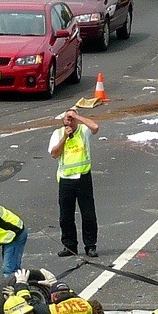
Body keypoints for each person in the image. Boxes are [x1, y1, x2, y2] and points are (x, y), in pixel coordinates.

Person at [48, 108, 100, 258]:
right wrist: (64, 137)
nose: (69, 122)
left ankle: (90, 246)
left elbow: (95, 127)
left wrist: (78, 116)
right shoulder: (58, 134)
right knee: (66, 216)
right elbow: (54, 154)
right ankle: (69, 246)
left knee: (88, 215)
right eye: (67, 119)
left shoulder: (83, 130)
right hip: (66, 179)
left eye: (72, 119)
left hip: (83, 178)